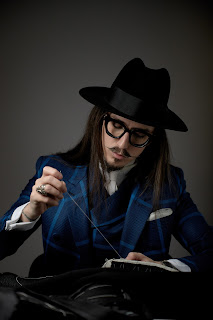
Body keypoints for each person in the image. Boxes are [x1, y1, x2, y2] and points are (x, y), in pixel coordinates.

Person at [0, 58, 212, 277]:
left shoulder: (170, 184)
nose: (122, 144)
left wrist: (164, 268)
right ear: (99, 120)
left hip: (136, 308)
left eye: (139, 134)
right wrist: (29, 212)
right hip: (61, 305)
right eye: (117, 125)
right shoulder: (51, 169)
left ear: (153, 139)